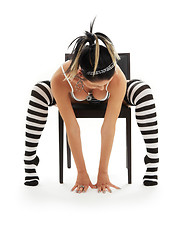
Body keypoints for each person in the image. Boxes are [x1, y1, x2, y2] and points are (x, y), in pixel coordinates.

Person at [24, 18, 159, 193]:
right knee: (39, 90)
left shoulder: (117, 78)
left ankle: (152, 159)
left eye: (106, 83)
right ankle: (30, 159)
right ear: (80, 73)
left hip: (115, 98)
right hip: (71, 96)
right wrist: (81, 172)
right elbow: (72, 127)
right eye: (97, 85)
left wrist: (103, 173)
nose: (103, 87)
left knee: (143, 90)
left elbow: (109, 126)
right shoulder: (61, 78)